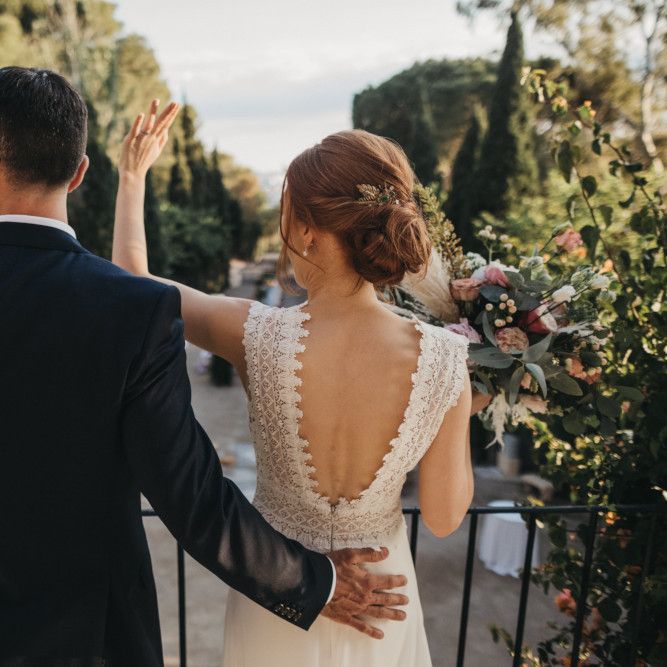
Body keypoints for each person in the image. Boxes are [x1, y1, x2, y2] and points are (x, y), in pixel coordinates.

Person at [0, 67, 409, 667]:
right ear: (82, 171)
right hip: (88, 637)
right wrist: (312, 583)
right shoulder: (131, 311)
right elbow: (191, 495)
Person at [113, 99, 490, 666]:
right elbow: (442, 516)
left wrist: (132, 177)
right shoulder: (445, 359)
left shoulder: (253, 334)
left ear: (308, 233)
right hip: (383, 603)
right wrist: (462, 404)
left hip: (282, 593)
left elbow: (132, 285)